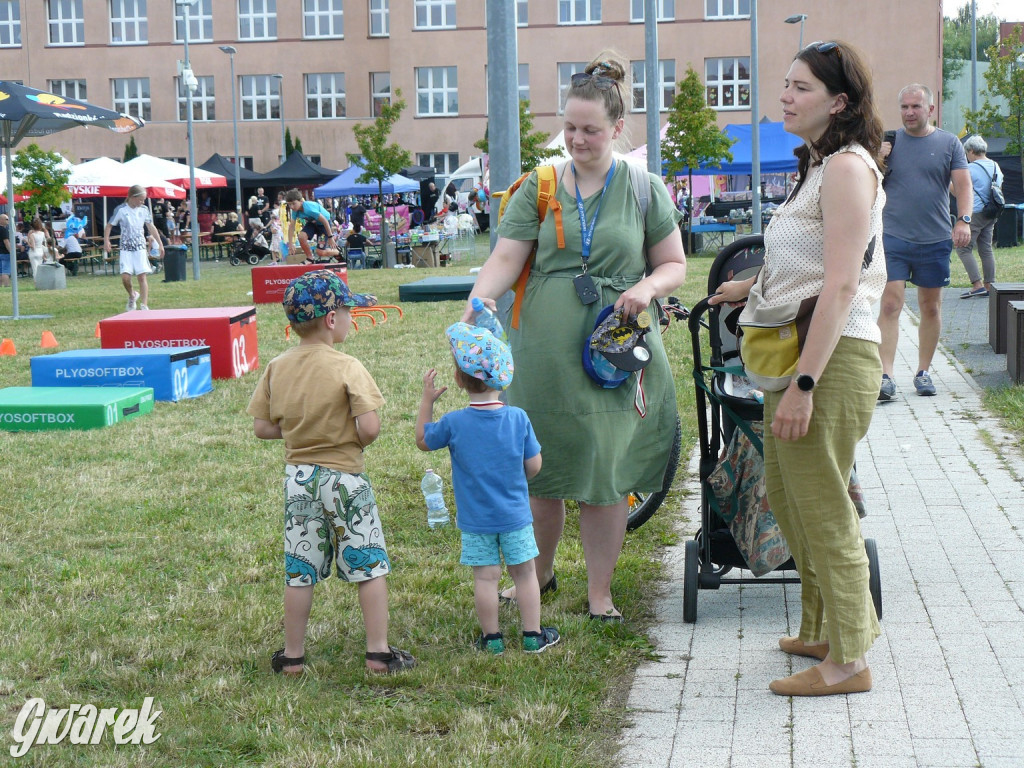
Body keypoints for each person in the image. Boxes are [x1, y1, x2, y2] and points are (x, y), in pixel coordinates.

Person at [463, 51, 686, 622]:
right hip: (542, 351)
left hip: (615, 349)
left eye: (590, 130)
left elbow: (674, 264)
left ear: (616, 129)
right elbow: (506, 257)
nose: (577, 139)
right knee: (544, 467)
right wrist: (482, 296)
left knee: (604, 472)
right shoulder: (538, 185)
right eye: (569, 127)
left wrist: (646, 288)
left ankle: (600, 592)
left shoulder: (643, 187)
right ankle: (538, 574)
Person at [709, 40, 887, 696]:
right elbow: (807, 265)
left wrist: (805, 386)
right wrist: (745, 286)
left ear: (839, 102)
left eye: (801, 87)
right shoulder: (818, 166)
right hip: (802, 354)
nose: (784, 95)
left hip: (830, 359)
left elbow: (842, 285)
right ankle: (822, 627)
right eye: (784, 84)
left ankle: (849, 660)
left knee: (823, 507)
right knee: (787, 498)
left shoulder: (846, 168)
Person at [246, 269, 416, 676]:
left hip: (299, 481)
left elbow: (262, 427)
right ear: (331, 319)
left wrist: (299, 428)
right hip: (346, 479)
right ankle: (378, 653)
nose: (352, 317)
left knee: (300, 567)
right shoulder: (348, 365)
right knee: (369, 563)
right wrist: (349, 437)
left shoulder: (277, 366)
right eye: (348, 310)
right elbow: (370, 427)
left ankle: (293, 657)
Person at [416, 323, 560, 655]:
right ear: (503, 377)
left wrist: (427, 401)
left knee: (485, 579)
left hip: (476, 520)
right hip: (516, 517)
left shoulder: (453, 422)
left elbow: (423, 440)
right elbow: (534, 467)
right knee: (524, 575)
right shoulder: (518, 418)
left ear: (458, 379)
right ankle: (532, 635)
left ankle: (492, 640)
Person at [877, 84, 972, 400]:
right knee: (890, 303)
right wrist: (878, 160)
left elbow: (963, 185)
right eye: (904, 107)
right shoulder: (888, 142)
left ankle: (923, 372)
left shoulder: (949, 143)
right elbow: (866, 182)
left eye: (916, 106)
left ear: (931, 109)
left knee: (930, 307)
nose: (909, 112)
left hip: (934, 239)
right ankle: (885, 376)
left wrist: (963, 219)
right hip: (892, 235)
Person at [956, 135, 1003, 299]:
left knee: (963, 248)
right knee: (986, 249)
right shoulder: (996, 166)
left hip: (975, 213)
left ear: (971, 151)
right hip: (991, 213)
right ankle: (989, 285)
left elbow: (959, 191)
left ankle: (977, 285)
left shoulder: (970, 169)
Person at [104, 184, 164, 311]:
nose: (142, 202)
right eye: (140, 199)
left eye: (143, 200)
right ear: (132, 197)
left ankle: (144, 304)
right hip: (126, 248)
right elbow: (109, 225)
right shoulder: (121, 210)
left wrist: (160, 244)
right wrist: (106, 240)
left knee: (142, 276)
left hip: (140, 247)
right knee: (125, 277)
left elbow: (151, 227)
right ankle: (132, 295)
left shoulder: (144, 210)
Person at [285, 189, 338, 264]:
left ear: (301, 201)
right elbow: (291, 226)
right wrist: (290, 244)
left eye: (293, 203)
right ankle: (310, 258)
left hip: (323, 225)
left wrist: (330, 237)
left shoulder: (309, 208)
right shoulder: (295, 211)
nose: (292, 207)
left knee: (320, 252)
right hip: (313, 223)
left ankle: (337, 252)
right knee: (301, 237)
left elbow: (325, 221)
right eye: (289, 204)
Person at [0, 214, 11, 288]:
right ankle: (7, 286)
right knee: (5, 271)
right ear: (1, 220)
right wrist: (11, 252)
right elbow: (6, 242)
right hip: (4, 252)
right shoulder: (4, 230)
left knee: (0, 271)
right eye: (6, 219)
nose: (8, 220)